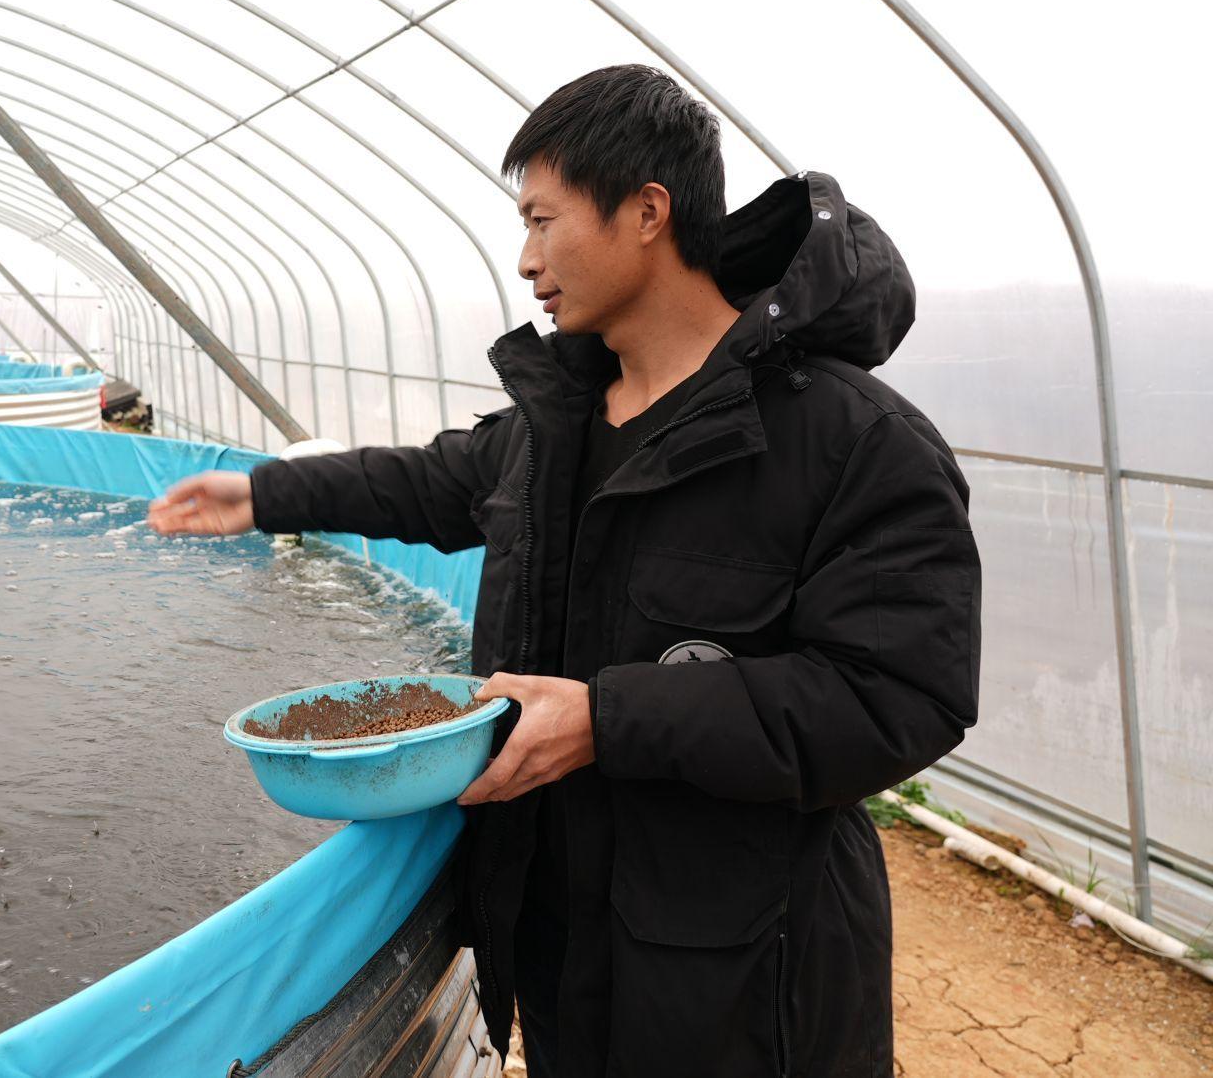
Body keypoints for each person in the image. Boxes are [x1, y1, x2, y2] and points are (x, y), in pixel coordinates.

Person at [146, 64, 980, 1077]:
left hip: (753, 991)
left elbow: (900, 694)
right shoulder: (563, 427)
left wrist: (606, 720)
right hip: (570, 957)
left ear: (646, 210)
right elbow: (427, 482)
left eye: (544, 220)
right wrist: (264, 495)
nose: (527, 256)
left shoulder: (852, 440)